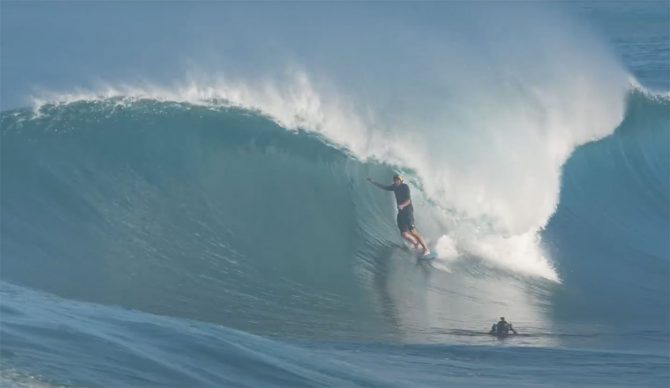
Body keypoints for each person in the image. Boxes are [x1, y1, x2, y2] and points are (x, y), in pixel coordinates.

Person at [368, 174, 431, 256]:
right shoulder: (394, 187)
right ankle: (416, 244)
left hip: (408, 211)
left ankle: (426, 249)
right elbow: (385, 187)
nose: (395, 181)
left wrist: (402, 205)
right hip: (401, 213)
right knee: (404, 234)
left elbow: (408, 200)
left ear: (401, 180)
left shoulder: (405, 187)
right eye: (394, 180)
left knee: (413, 231)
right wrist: (372, 182)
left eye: (397, 180)